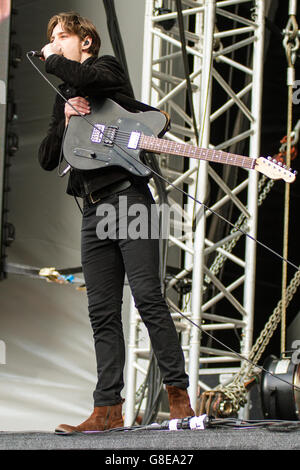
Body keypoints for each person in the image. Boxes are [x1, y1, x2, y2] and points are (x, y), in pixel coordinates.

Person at [38, 11, 194, 434]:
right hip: (92, 209)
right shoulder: (66, 98)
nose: (54, 43)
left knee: (147, 298)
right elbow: (47, 157)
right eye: (50, 39)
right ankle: (107, 408)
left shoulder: (105, 71)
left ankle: (179, 395)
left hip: (129, 200)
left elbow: (95, 84)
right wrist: (67, 119)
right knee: (101, 312)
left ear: (85, 42)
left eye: (62, 36)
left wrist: (52, 59)